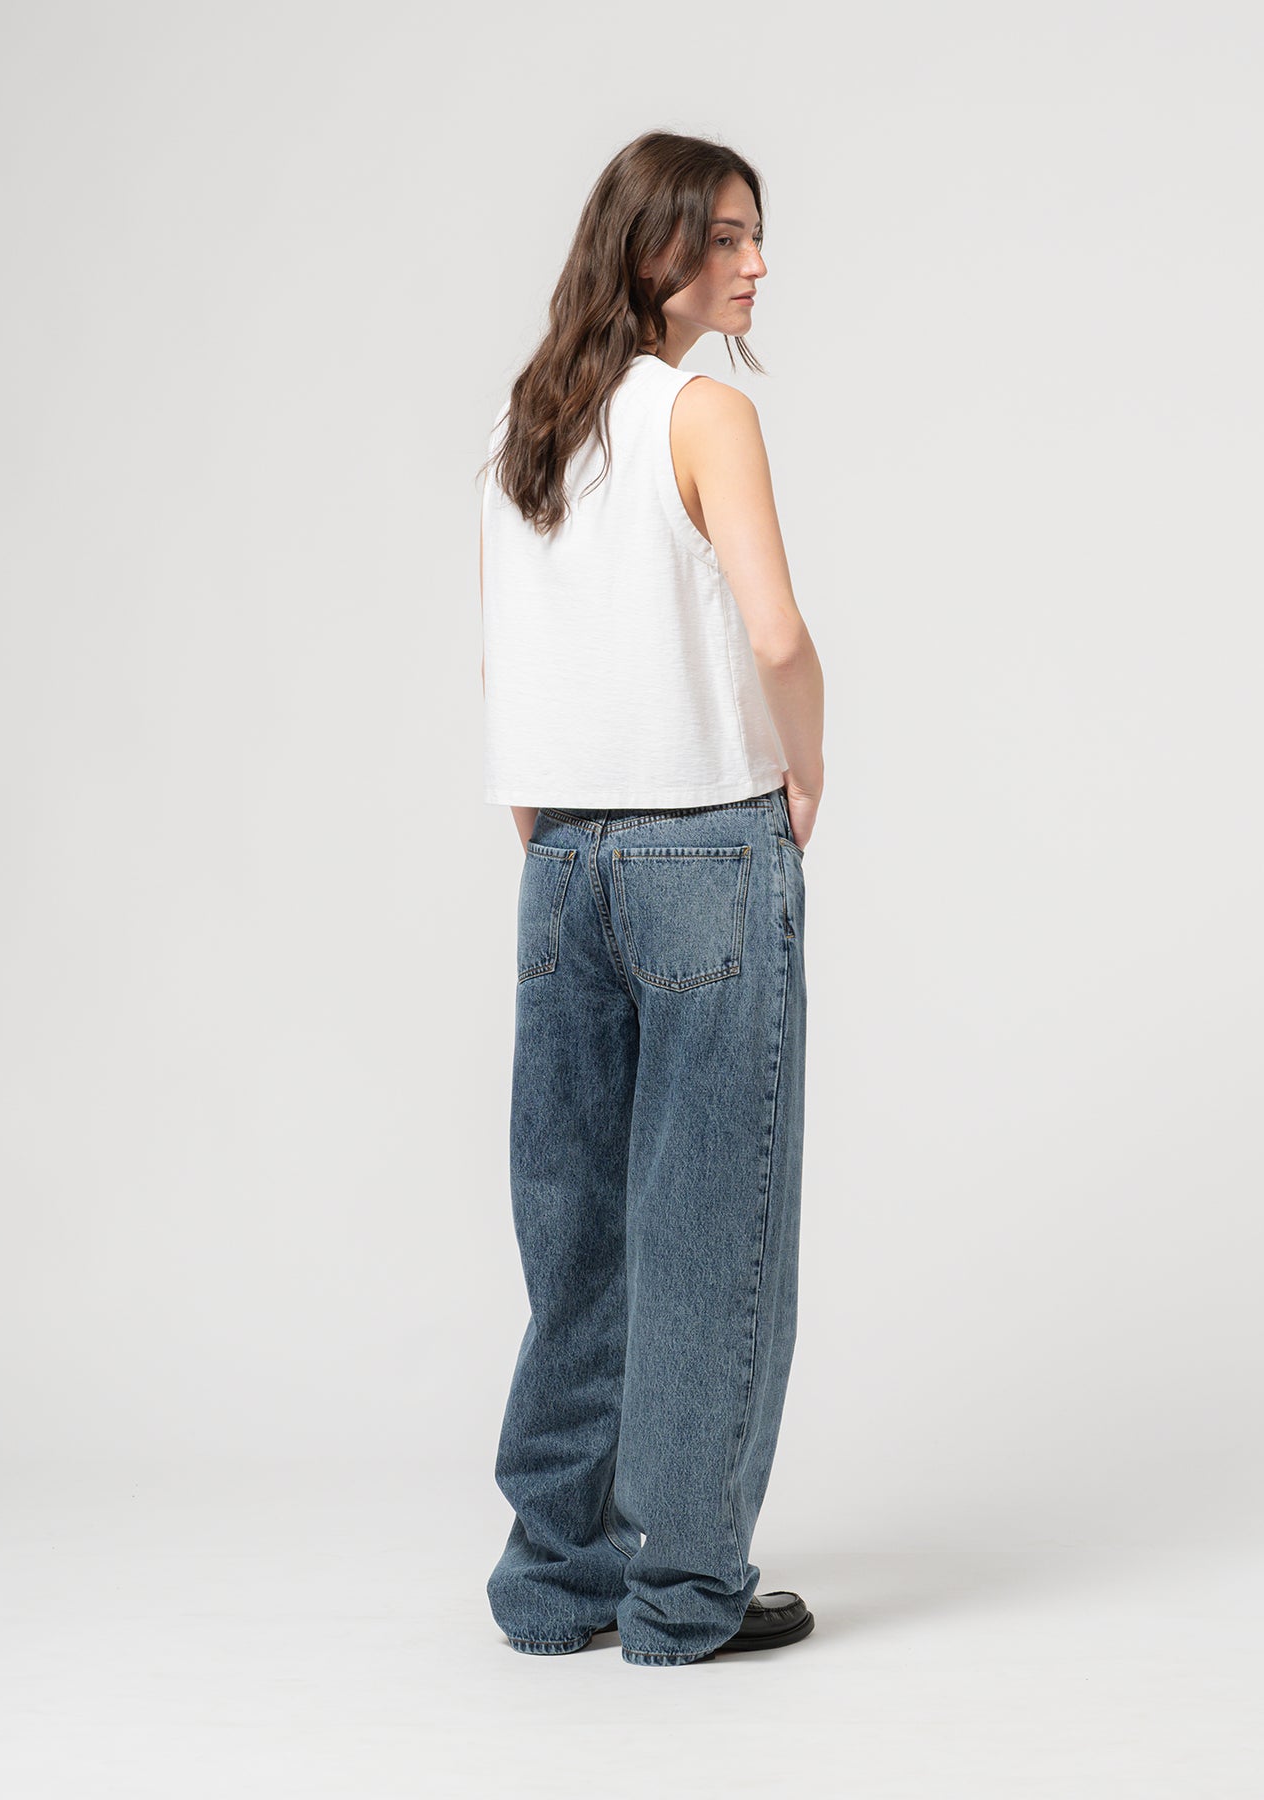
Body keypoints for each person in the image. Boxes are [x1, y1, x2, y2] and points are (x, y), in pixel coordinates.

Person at [476, 130, 824, 1668]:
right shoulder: (705, 412)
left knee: (579, 1241)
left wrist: (556, 840)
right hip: (706, 850)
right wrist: (806, 772)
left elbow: (508, 666)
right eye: (728, 237)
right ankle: (683, 1596)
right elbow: (777, 633)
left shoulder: (532, 432)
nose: (755, 265)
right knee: (711, 1233)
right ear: (653, 252)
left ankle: (557, 1578)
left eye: (756, 236)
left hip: (561, 864)